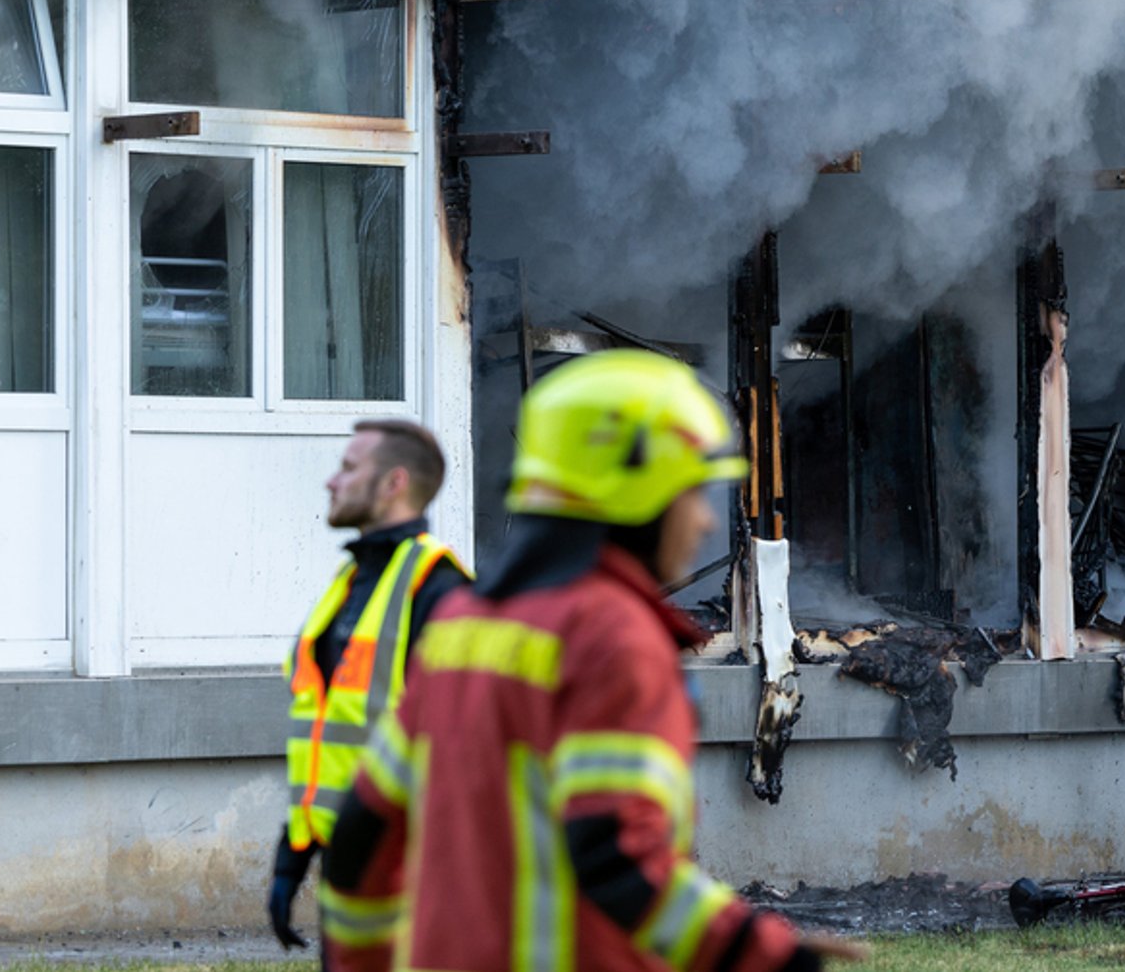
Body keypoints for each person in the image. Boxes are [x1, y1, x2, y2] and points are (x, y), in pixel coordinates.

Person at [322, 351, 860, 972]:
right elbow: (613, 856)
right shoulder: (613, 638)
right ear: (636, 488)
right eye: (693, 490)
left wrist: (356, 961)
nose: (708, 518)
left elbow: (360, 831)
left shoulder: (460, 627)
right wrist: (759, 952)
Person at [269, 419, 472, 956]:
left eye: (349, 468)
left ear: (393, 484)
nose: (332, 482)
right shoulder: (350, 584)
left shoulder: (442, 592)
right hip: (351, 868)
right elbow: (328, 740)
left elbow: (464, 752)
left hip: (416, 875)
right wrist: (293, 858)